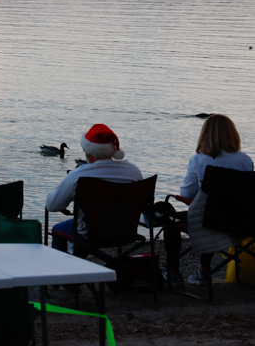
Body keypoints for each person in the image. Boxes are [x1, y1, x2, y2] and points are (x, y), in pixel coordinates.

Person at [163, 114, 253, 286]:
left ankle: (173, 273)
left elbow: (187, 195)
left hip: (210, 223)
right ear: (232, 134)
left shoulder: (199, 159)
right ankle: (203, 270)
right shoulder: (245, 160)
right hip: (240, 223)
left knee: (172, 220)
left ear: (205, 135)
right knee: (211, 212)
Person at [46, 124, 143, 253]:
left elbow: (52, 206)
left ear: (88, 152)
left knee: (58, 229)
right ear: (113, 151)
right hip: (125, 232)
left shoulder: (78, 175)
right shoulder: (133, 171)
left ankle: (65, 269)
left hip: (89, 234)